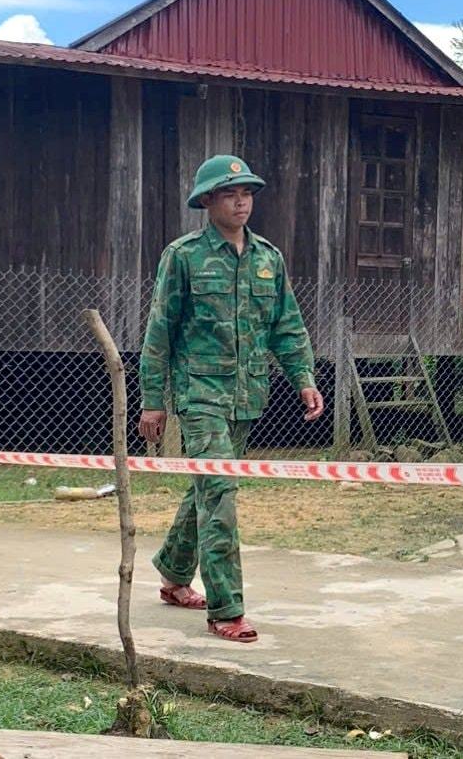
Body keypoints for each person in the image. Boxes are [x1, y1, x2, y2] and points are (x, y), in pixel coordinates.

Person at [138, 154, 324, 643]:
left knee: (207, 487)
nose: (241, 201)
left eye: (247, 194)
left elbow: (286, 325)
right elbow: (160, 331)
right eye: (229, 194)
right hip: (200, 394)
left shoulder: (269, 258)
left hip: (247, 395)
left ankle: (174, 574)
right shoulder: (183, 256)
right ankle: (227, 608)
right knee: (220, 494)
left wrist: (303, 377)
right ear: (207, 201)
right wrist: (152, 400)